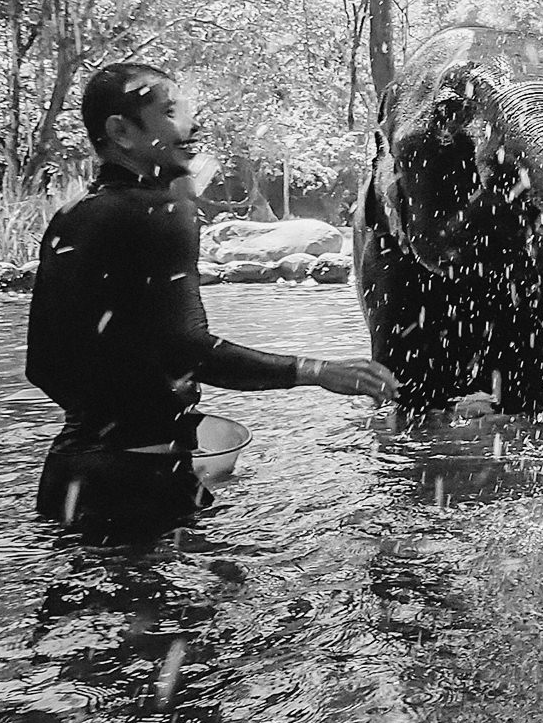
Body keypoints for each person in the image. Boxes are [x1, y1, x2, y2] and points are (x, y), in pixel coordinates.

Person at [27, 63, 397, 536]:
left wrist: (131, 415)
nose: (193, 125)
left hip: (68, 480)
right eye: (170, 112)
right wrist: (317, 371)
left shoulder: (72, 216)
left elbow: (43, 365)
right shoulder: (165, 211)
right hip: (142, 485)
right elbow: (186, 349)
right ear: (120, 131)